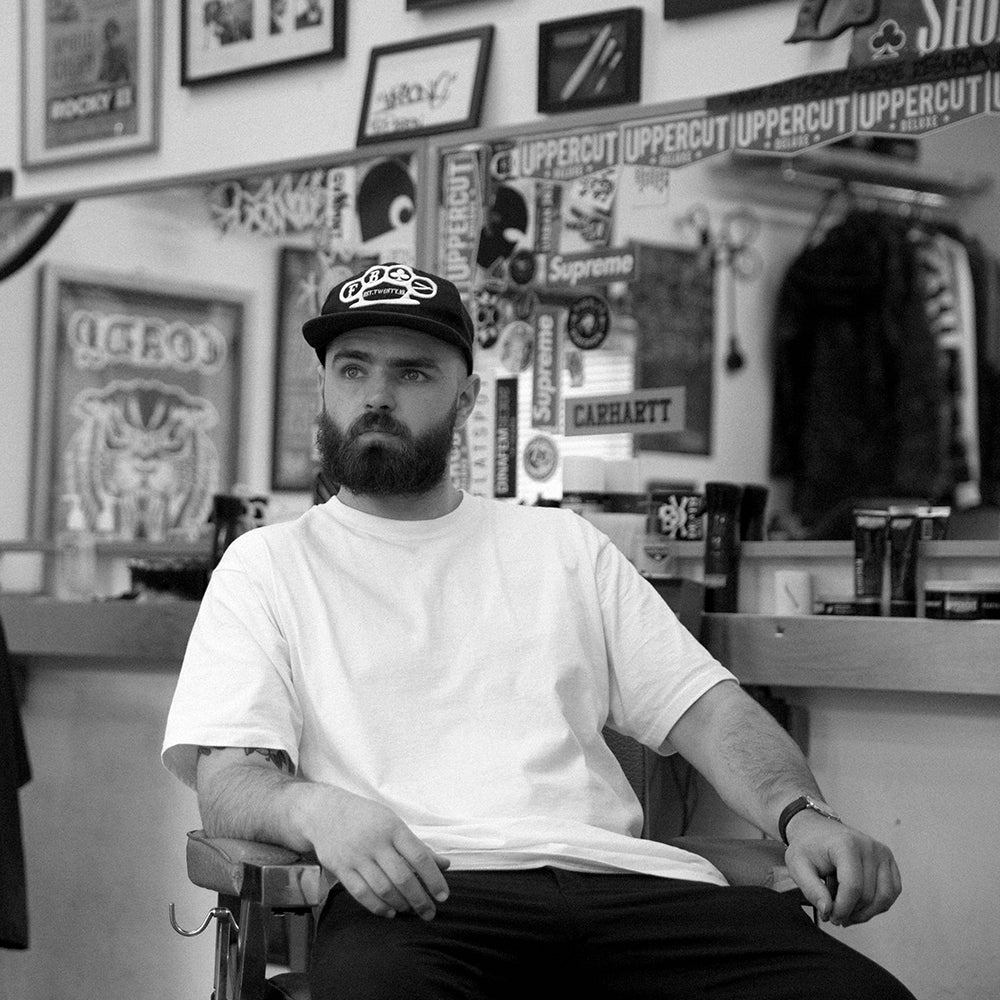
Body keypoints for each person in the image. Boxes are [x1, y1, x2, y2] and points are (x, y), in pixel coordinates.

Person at [162, 262, 915, 1000]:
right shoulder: (267, 566)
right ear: (323, 386)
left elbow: (710, 712)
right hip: (425, 895)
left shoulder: (562, 547)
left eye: (415, 373)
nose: (378, 397)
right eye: (353, 370)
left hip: (628, 891)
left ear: (467, 397)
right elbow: (229, 782)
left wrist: (803, 816)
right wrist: (315, 810)